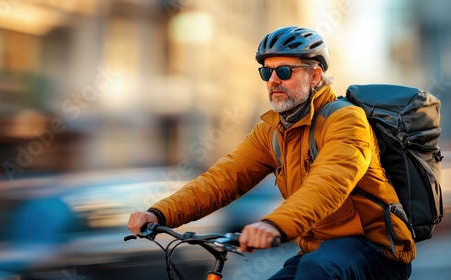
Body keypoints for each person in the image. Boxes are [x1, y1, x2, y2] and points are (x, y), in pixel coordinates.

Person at [127, 26, 414, 279]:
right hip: (318, 250)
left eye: (285, 71)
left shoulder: (344, 120)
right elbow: (224, 178)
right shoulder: (272, 130)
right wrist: (160, 213)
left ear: (315, 76)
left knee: (316, 271)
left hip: (374, 248)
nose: (273, 80)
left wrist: (274, 225)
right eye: (267, 71)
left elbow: (328, 184)